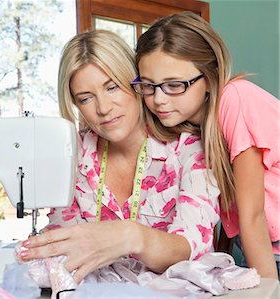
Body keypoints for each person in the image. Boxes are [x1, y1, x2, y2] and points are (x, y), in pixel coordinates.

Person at [18, 29, 220, 283]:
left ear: (137, 83)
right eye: (85, 98)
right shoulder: (73, 156)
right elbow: (64, 246)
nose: (103, 108)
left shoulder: (187, 149)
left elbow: (192, 246)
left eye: (112, 87)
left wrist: (130, 236)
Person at [130, 11, 279, 279]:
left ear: (209, 77)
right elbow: (227, 215)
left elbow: (252, 214)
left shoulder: (235, 99)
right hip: (254, 249)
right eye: (149, 86)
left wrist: (268, 290)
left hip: (269, 251)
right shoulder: (191, 131)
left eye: (174, 85)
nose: (159, 99)